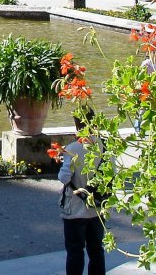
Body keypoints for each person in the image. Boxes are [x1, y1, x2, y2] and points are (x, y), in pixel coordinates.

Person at [59, 112, 107, 275]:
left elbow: (64, 178)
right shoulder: (105, 147)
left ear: (77, 126)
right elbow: (112, 173)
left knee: (75, 251)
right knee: (96, 251)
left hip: (75, 208)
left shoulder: (73, 148)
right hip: (97, 207)